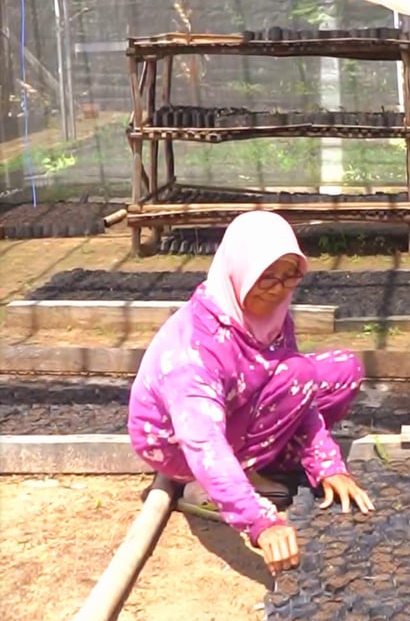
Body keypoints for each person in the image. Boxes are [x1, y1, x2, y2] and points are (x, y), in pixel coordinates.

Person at [128, 211, 374, 576]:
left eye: (290, 275)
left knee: (341, 369)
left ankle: (258, 464)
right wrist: (260, 521)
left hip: (239, 410)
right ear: (238, 271)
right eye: (266, 276)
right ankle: (210, 488)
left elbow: (298, 388)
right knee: (296, 375)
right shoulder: (194, 351)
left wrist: (327, 464)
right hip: (182, 449)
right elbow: (203, 442)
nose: (278, 288)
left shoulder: (272, 317)